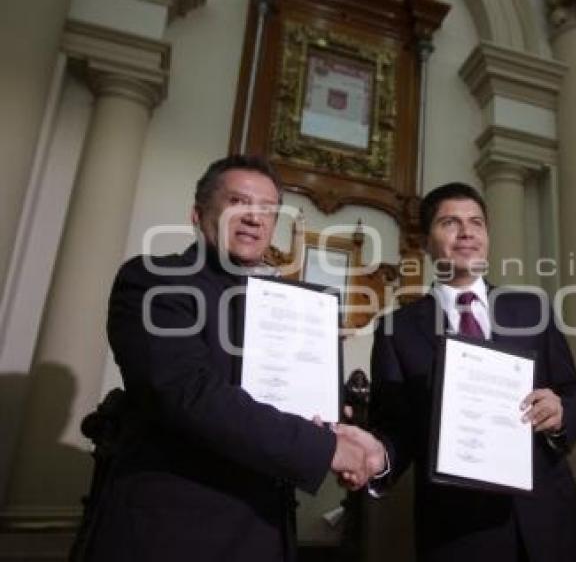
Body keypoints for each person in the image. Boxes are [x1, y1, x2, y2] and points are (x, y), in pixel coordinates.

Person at [84, 155, 379, 561]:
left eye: (268, 211)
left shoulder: (283, 306)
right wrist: (322, 447)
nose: (255, 219)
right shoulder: (155, 280)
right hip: (173, 531)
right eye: (239, 202)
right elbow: (189, 394)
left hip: (265, 530)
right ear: (198, 213)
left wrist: (326, 414)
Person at [349, 182, 576, 561]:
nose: (467, 232)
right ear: (426, 240)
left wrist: (563, 410)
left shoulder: (532, 310)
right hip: (458, 530)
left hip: (549, 520)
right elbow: (397, 429)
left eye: (476, 223)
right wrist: (378, 459)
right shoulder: (396, 330)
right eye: (450, 222)